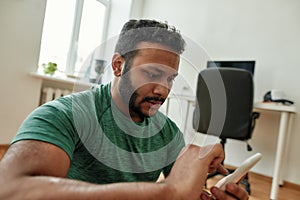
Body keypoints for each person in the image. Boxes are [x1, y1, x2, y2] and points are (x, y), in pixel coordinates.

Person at [0, 19, 248, 200]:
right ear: (118, 65)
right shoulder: (62, 116)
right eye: (152, 74)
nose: (163, 90)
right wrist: (164, 192)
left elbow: (183, 194)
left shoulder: (167, 133)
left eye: (171, 79)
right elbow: (10, 189)